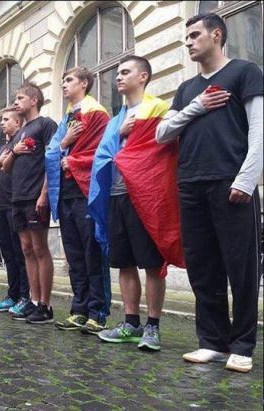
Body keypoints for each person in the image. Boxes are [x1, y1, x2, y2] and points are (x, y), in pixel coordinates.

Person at [156, 13, 263, 372]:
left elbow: (259, 130)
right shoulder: (187, 88)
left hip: (231, 183)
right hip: (190, 184)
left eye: (194, 35)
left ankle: (242, 345)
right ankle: (213, 343)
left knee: (241, 267)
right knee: (202, 266)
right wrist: (197, 106)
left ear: (216, 35)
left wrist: (246, 180)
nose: (188, 42)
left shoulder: (245, 72)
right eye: (186, 36)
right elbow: (162, 133)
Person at [88, 55, 183, 352]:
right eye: (117, 72)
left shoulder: (158, 109)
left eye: (125, 72)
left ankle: (153, 326)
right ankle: (131, 322)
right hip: (116, 196)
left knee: (152, 263)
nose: (118, 77)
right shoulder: (116, 119)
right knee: (124, 262)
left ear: (143, 77)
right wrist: (120, 134)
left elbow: (164, 149)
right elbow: (103, 154)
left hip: (146, 196)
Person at [46, 67, 111, 333]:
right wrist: (65, 143)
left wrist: (71, 160)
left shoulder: (97, 113)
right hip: (66, 193)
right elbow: (51, 151)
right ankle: (79, 310)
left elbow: (103, 152)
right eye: (63, 80)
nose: (64, 84)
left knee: (92, 253)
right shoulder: (67, 118)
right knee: (74, 256)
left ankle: (98, 312)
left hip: (86, 193)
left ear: (84, 83)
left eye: (69, 80)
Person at [2, 81, 58, 323]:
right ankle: (33, 301)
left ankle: (45, 305)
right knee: (26, 249)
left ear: (34, 100)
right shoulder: (19, 133)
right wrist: (15, 151)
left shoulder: (45, 124)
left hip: (35, 196)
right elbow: (5, 167)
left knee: (39, 248)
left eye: (20, 98)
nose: (16, 102)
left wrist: (44, 194)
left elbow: (52, 160)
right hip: (17, 197)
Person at [0, 108, 30, 314]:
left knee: (20, 253)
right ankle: (12, 295)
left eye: (6, 120)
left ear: (17, 122)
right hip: (1, 205)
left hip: (16, 204)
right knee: (7, 253)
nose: (2, 123)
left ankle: (24, 296)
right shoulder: (2, 147)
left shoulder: (22, 142)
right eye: (1, 119)